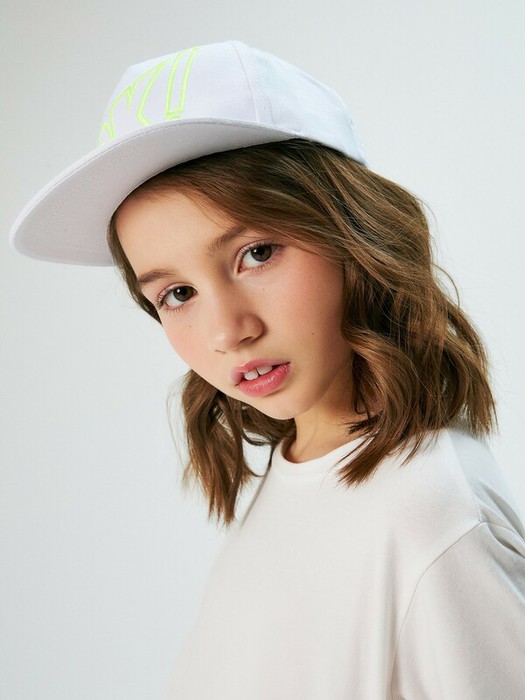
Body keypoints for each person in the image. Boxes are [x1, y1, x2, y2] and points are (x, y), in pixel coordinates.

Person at [9, 40, 525, 699]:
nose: (228, 331)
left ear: (353, 233)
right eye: (177, 294)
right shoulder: (307, 463)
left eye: (256, 253)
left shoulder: (431, 521)